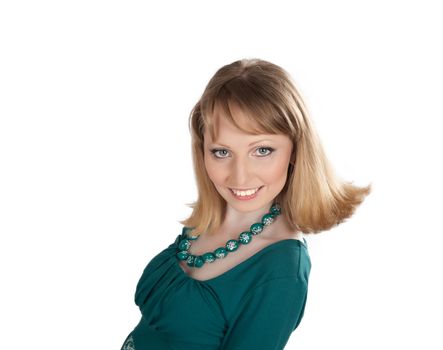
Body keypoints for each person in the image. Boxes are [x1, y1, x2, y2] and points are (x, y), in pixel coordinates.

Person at [121, 58, 372, 350]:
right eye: (222, 152)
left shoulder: (281, 271)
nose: (239, 176)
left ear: (295, 149)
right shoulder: (207, 222)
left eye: (262, 150)